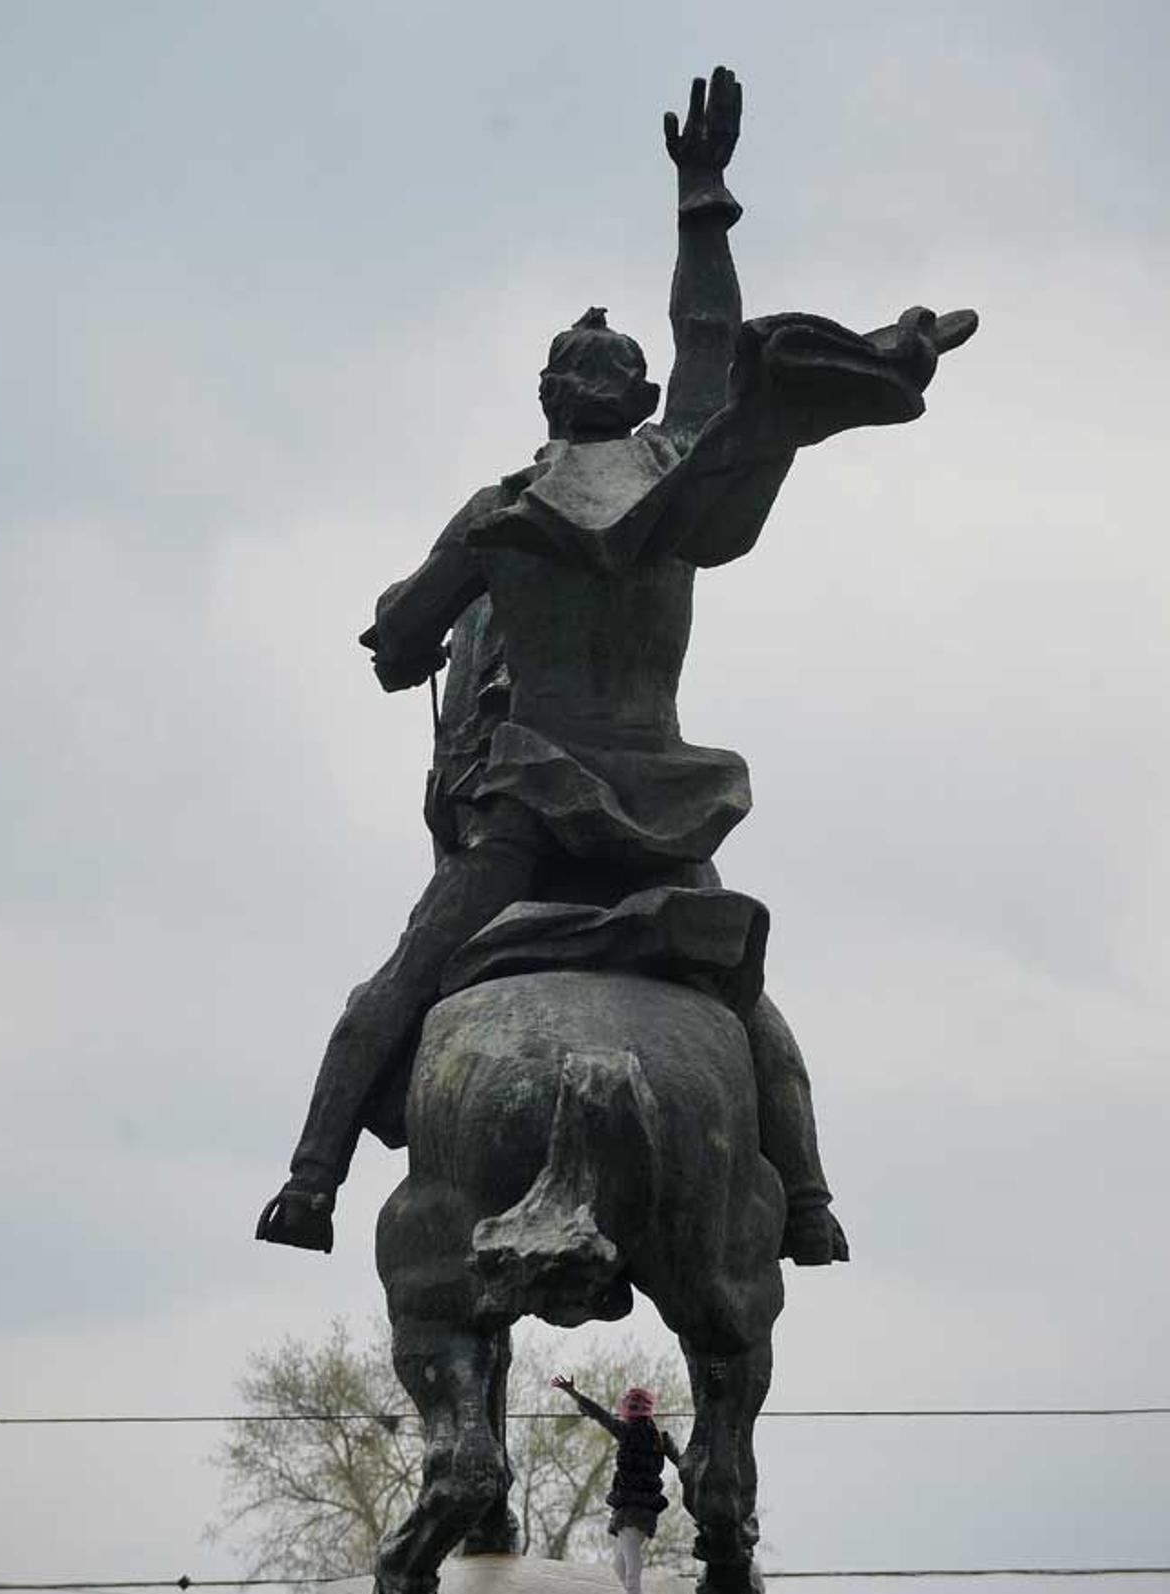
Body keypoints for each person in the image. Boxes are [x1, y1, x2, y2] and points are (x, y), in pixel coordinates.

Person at [255, 67, 973, 1255]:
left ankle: (309, 1181)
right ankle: (805, 1196)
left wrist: (403, 625)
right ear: (638, 396)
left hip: (527, 809)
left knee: (394, 984)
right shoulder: (675, 476)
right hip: (663, 802)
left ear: (547, 400)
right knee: (748, 1004)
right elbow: (711, 335)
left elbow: (396, 654)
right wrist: (704, 194)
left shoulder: (500, 511)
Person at [551, 1373, 679, 1594]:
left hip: (630, 1511)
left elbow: (599, 1414)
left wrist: (573, 1394)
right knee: (621, 1568)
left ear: (629, 1411)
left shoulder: (627, 1431)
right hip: (647, 1512)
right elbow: (683, 1462)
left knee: (631, 1571)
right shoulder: (661, 1437)